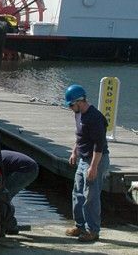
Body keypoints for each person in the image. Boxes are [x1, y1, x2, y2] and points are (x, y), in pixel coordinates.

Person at [64, 84, 109, 243]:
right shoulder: (79, 114)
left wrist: (93, 167)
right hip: (83, 158)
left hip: (95, 159)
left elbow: (99, 145)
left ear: (79, 101)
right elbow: (80, 135)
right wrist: (74, 151)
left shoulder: (95, 118)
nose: (70, 108)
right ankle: (80, 226)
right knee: (77, 193)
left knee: (91, 196)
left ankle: (93, 230)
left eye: (71, 104)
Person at [0, 150, 39, 235]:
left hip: (25, 170)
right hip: (29, 167)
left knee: (3, 197)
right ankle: (9, 225)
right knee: (4, 195)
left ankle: (8, 227)